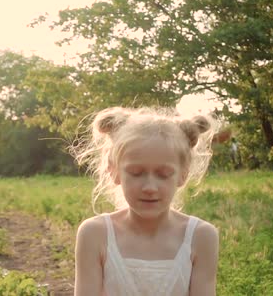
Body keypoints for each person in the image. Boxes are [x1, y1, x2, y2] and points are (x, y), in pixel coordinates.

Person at [72, 106, 220, 296]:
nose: (150, 187)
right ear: (114, 171)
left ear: (183, 175)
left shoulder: (201, 237)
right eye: (136, 173)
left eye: (164, 175)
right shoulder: (95, 234)